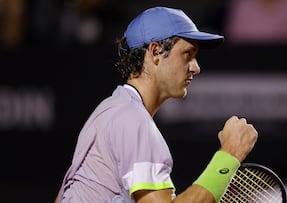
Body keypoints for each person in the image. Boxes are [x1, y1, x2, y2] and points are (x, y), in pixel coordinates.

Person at [55, 6, 258, 203]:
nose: (196, 68)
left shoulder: (109, 111)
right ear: (155, 52)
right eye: (188, 54)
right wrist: (230, 154)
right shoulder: (132, 119)